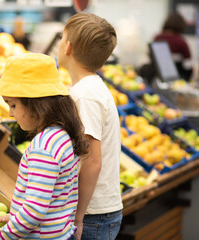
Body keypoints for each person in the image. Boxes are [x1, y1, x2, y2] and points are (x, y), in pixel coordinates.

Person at [0, 53, 88, 240]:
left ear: (35, 104)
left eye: (13, 105)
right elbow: (54, 199)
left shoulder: (43, 148)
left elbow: (34, 212)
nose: (10, 113)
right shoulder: (62, 136)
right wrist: (16, 217)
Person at [57, 13, 123, 240]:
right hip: (97, 212)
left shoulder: (85, 96)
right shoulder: (89, 88)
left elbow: (92, 161)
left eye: (61, 38)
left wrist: (77, 216)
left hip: (93, 215)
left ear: (68, 47)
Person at [154, 12, 193, 81]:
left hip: (157, 78)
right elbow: (188, 66)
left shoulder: (157, 38)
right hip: (177, 80)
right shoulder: (181, 41)